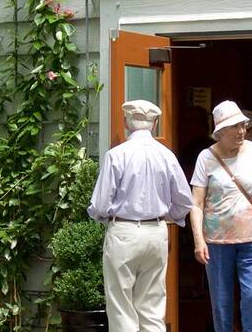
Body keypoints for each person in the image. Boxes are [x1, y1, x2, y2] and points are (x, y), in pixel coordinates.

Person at [88, 100, 194, 332]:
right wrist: (168, 217)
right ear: (154, 124)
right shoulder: (167, 156)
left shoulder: (116, 155)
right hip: (156, 231)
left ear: (127, 123)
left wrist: (105, 218)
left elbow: (100, 204)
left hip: (124, 231)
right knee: (153, 307)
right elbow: (185, 201)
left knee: (121, 307)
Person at [191, 100, 252, 332]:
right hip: (217, 242)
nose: (242, 131)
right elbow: (197, 202)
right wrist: (198, 240)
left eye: (243, 125)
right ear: (220, 132)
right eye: (235, 127)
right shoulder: (205, 158)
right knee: (221, 303)